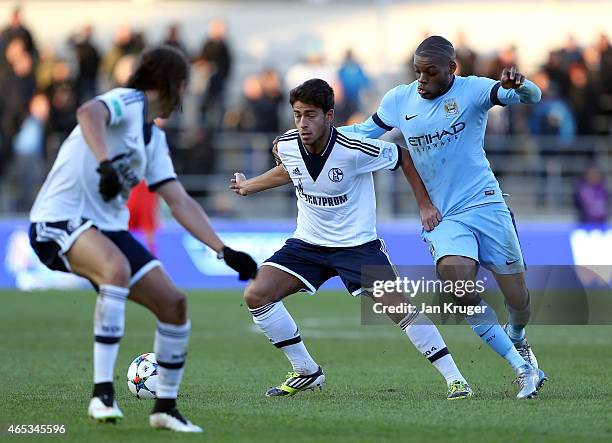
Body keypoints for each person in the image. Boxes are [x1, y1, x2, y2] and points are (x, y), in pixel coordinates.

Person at [29, 45, 258, 432]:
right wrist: (104, 163)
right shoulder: (127, 100)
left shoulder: (153, 140)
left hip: (106, 230)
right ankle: (103, 394)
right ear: (169, 84)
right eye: (182, 87)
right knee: (115, 269)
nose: (184, 98)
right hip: (59, 219)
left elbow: (178, 200)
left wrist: (223, 250)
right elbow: (88, 113)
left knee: (174, 304)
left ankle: (165, 408)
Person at [232, 79, 473, 400]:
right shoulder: (286, 144)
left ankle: (456, 379)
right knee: (256, 294)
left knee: (399, 308)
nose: (303, 123)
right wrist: (251, 186)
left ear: (329, 116)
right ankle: (306, 371)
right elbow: (291, 169)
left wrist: (425, 205)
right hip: (308, 245)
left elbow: (402, 156)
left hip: (357, 247)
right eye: (298, 115)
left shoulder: (353, 148)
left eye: (311, 115)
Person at [339, 35, 547, 399]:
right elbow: (362, 132)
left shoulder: (474, 91)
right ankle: (521, 367)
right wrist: (315, 138)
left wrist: (522, 85)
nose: (421, 80)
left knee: (518, 299)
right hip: (444, 216)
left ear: (452, 69)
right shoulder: (399, 100)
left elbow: (532, 98)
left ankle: (518, 336)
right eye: (417, 72)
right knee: (457, 284)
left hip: (486, 205)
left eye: (430, 73)